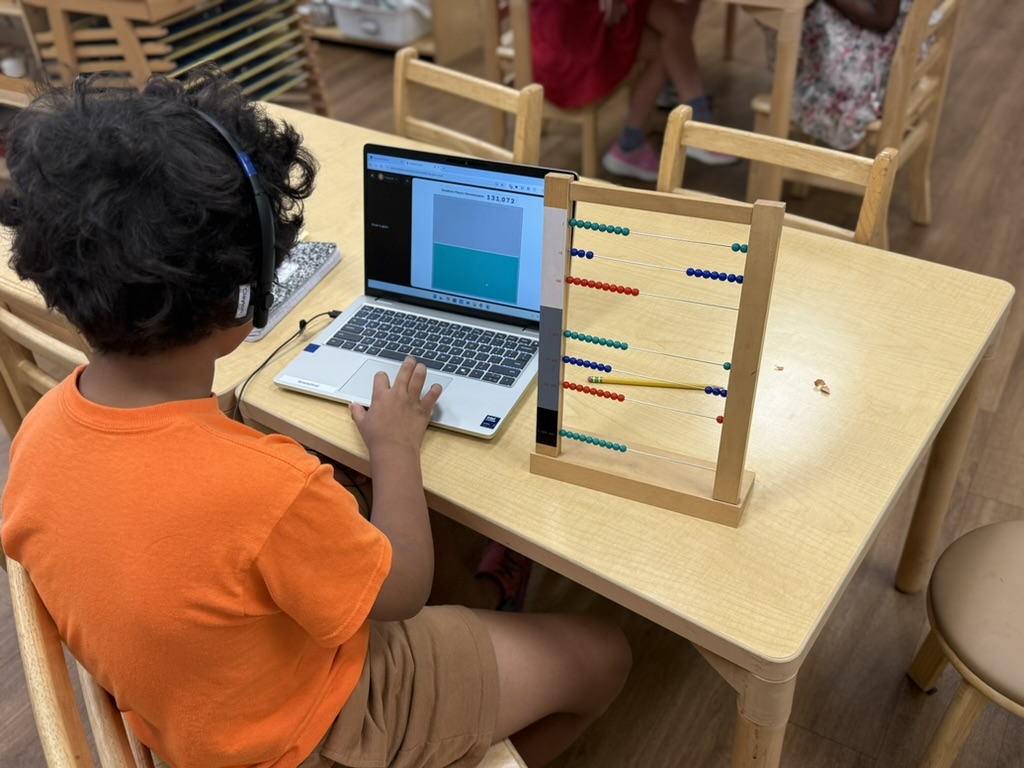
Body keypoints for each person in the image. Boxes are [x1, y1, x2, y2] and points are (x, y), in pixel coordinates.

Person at [0, 67, 632, 768]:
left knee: (355, 496)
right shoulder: (265, 487)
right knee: (605, 654)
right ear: (244, 301)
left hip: (204, 717)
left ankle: (482, 605)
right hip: (324, 728)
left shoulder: (38, 436)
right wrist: (395, 448)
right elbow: (399, 594)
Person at [530, 0, 736, 183]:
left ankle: (634, 143)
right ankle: (681, 130)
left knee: (673, 27)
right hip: (568, 35)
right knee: (673, 29)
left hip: (584, 16)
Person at [763, 0, 909, 150]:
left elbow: (883, 19)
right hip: (890, 55)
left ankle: (761, 148)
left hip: (870, 76)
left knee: (783, 15)